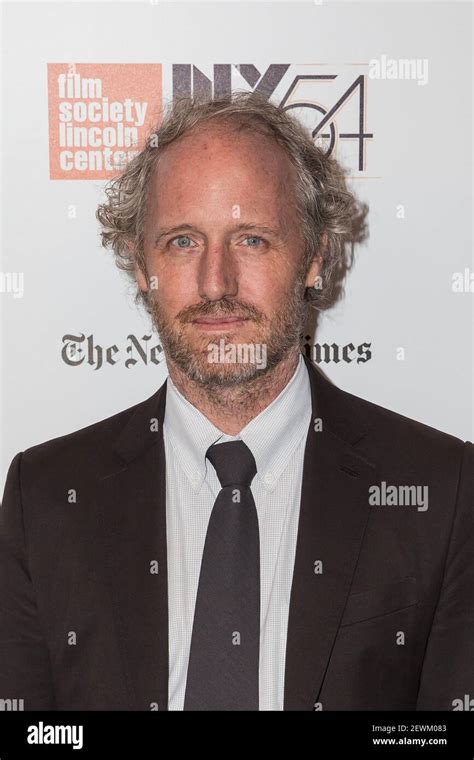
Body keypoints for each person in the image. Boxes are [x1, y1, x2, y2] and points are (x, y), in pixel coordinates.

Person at [0, 92, 472, 711]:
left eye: (250, 239)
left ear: (315, 257)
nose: (215, 284)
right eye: (182, 242)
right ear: (142, 266)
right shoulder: (47, 495)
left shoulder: (441, 492)